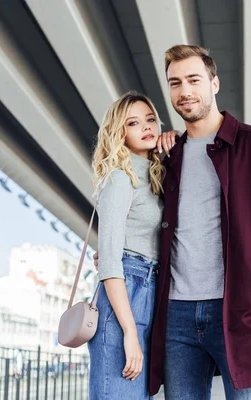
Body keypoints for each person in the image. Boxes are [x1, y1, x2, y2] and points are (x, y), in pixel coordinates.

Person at [149, 45, 251, 399]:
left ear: (214, 84)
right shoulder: (168, 154)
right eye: (175, 83)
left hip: (240, 307)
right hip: (176, 314)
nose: (185, 91)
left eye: (194, 80)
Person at [88, 91, 165, 399]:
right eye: (134, 123)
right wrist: (130, 332)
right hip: (127, 292)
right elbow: (108, 264)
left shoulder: (155, 176)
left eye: (150, 119)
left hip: (149, 288)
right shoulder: (120, 178)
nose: (146, 127)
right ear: (120, 132)